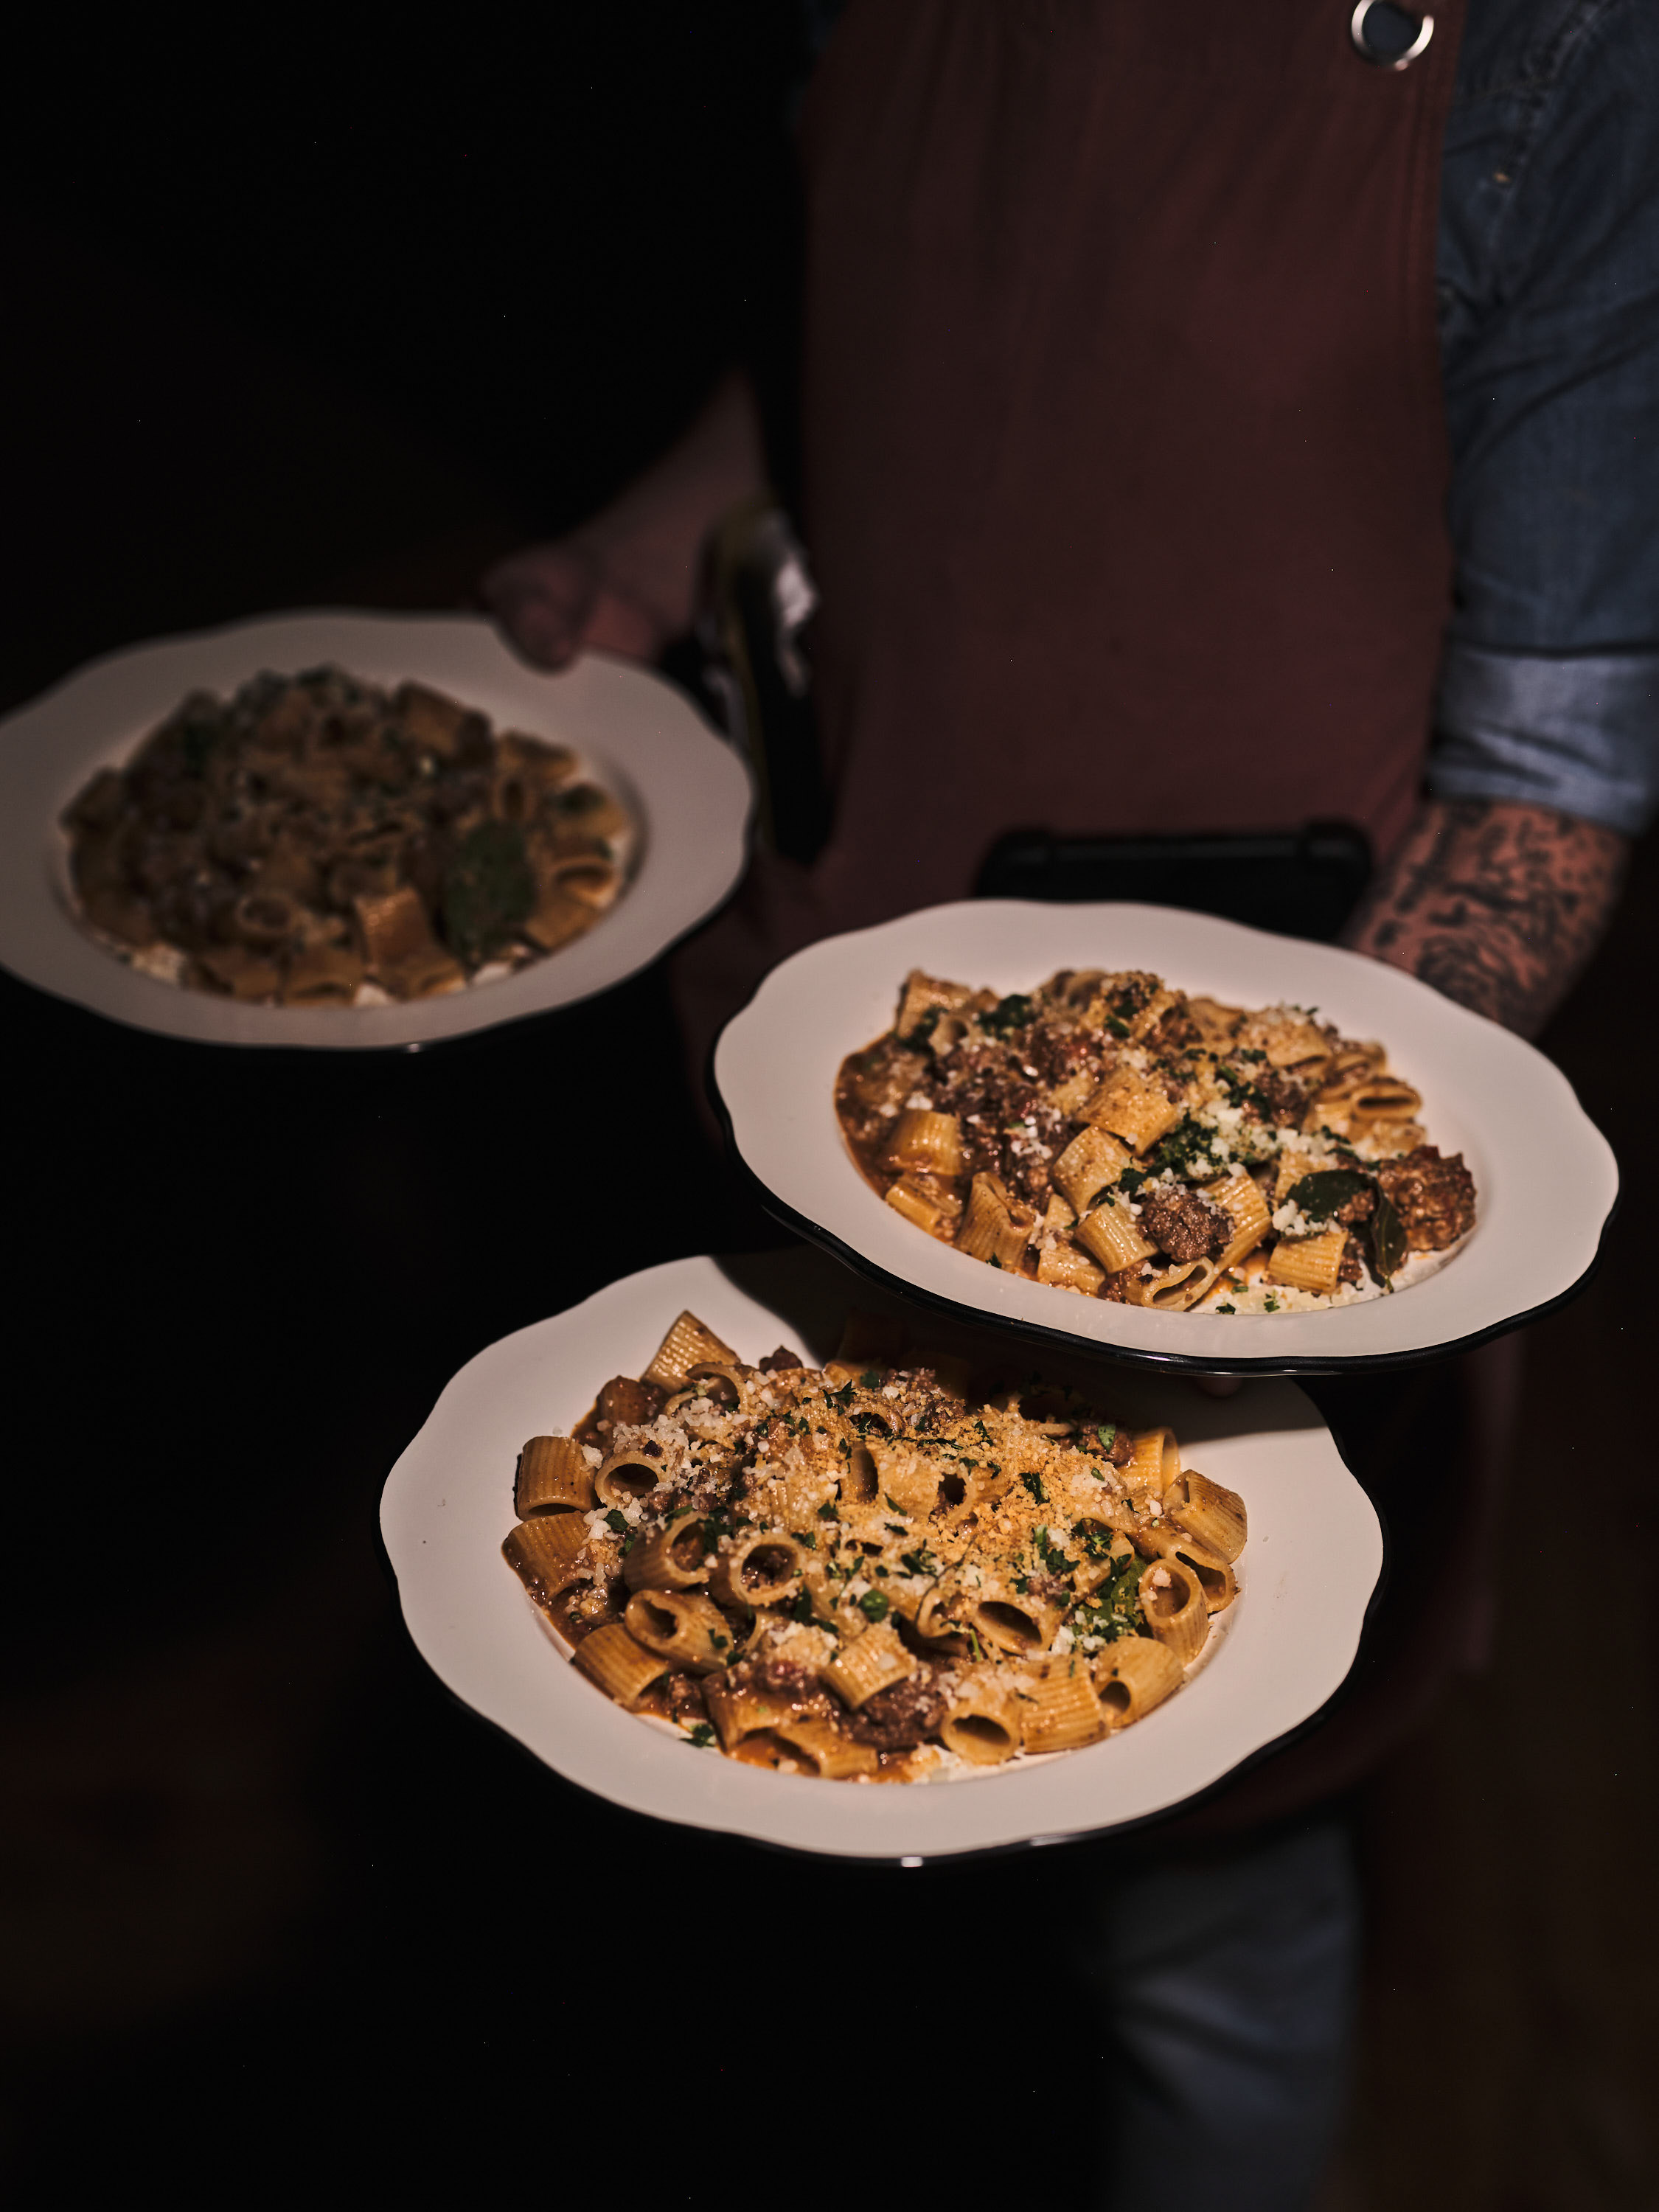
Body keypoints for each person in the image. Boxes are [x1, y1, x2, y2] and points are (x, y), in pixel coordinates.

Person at [482, 4, 1659, 2202]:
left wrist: (1251, 1244)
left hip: (1262, 1194)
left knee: (1195, 1926)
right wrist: (664, 536)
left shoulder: (1573, 51)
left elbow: (1553, 784)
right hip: (827, 1006)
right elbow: (886, 327)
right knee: (788, 1878)